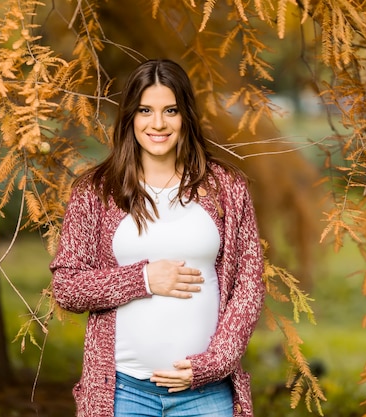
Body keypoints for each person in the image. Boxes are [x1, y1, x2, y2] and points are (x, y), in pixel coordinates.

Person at [50, 59, 265, 417]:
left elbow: (248, 283)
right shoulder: (96, 192)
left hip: (205, 393)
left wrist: (213, 364)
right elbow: (68, 287)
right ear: (130, 117)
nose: (158, 124)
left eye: (171, 111)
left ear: (186, 117)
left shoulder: (225, 187)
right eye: (145, 111)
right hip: (122, 391)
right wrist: (144, 278)